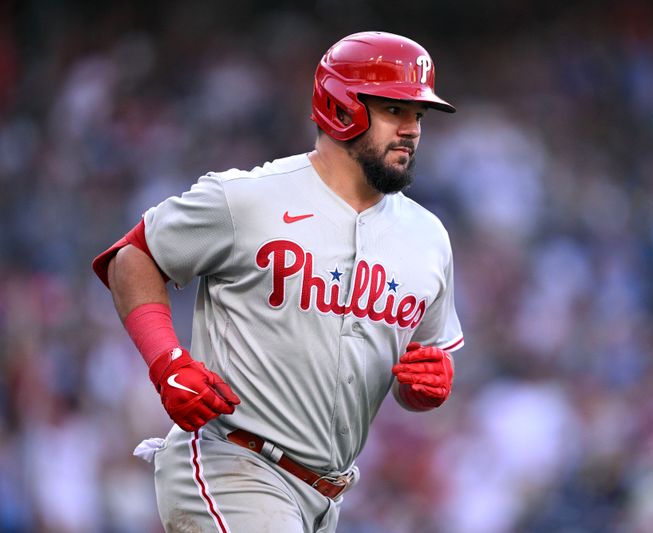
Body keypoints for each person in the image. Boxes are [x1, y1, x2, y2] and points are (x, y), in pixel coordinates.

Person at [91, 31, 464, 533]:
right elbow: (133, 256)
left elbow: (420, 363)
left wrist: (424, 387)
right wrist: (168, 363)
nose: (412, 129)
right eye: (395, 109)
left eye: (419, 115)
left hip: (326, 494)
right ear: (341, 106)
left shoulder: (428, 237)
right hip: (233, 461)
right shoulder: (249, 198)